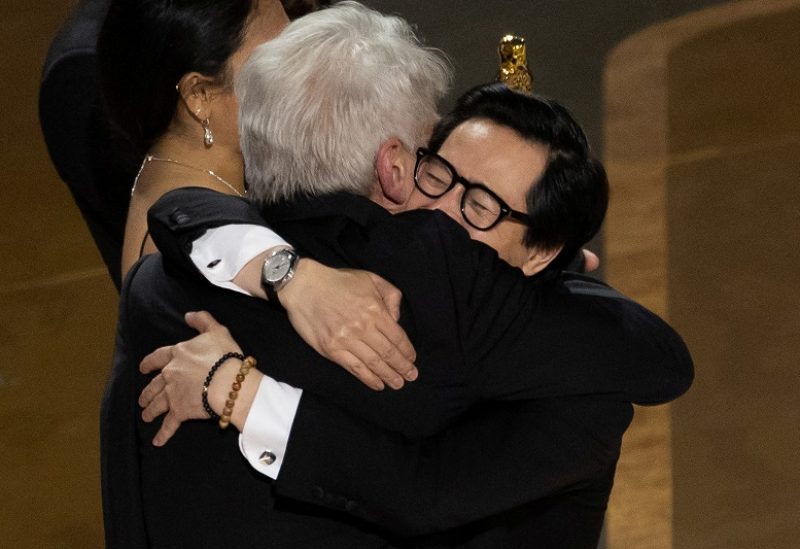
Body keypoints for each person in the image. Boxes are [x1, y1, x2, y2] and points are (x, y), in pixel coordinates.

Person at [104, 3, 692, 547]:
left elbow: (427, 490)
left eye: (480, 206)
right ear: (400, 164)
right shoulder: (424, 287)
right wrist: (290, 276)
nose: (438, 216)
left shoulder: (158, 287)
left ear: (543, 251)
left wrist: (241, 388)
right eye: (438, 174)